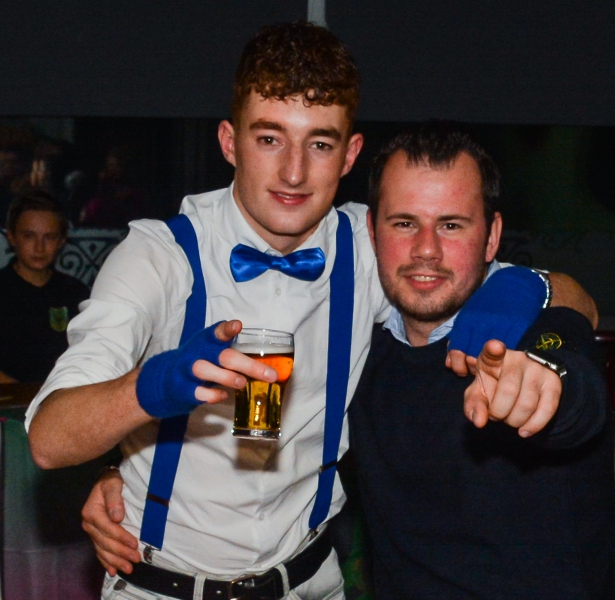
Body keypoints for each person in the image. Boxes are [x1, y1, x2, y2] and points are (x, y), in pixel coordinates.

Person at [26, 23, 595, 600]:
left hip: (310, 583)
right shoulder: (158, 257)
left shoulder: (375, 246)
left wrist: (514, 290)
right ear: (229, 142)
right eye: (270, 139)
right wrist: (153, 388)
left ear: (350, 155)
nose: (294, 172)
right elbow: (49, 438)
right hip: (163, 586)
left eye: (319, 144)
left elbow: (570, 295)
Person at [348, 123, 615, 598]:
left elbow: (577, 386)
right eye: (404, 223)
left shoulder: (528, 329)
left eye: (451, 225)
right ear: (372, 231)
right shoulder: (357, 346)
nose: (426, 249)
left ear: (492, 238)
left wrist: (544, 382)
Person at [0, 191, 89, 383]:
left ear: (61, 241)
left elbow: (90, 352)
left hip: (64, 393)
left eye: (49, 237)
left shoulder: (74, 292)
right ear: (11, 237)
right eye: (29, 236)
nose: (39, 247)